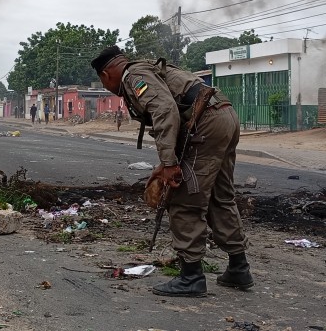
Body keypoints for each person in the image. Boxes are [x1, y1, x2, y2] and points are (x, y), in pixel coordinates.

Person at [91, 45, 252, 297]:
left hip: (206, 123)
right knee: (221, 196)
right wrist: (167, 161)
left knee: (184, 199)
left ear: (105, 75)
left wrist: (169, 165)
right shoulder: (146, 68)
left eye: (103, 83)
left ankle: (191, 277)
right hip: (224, 115)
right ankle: (239, 268)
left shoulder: (133, 77)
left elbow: (165, 110)